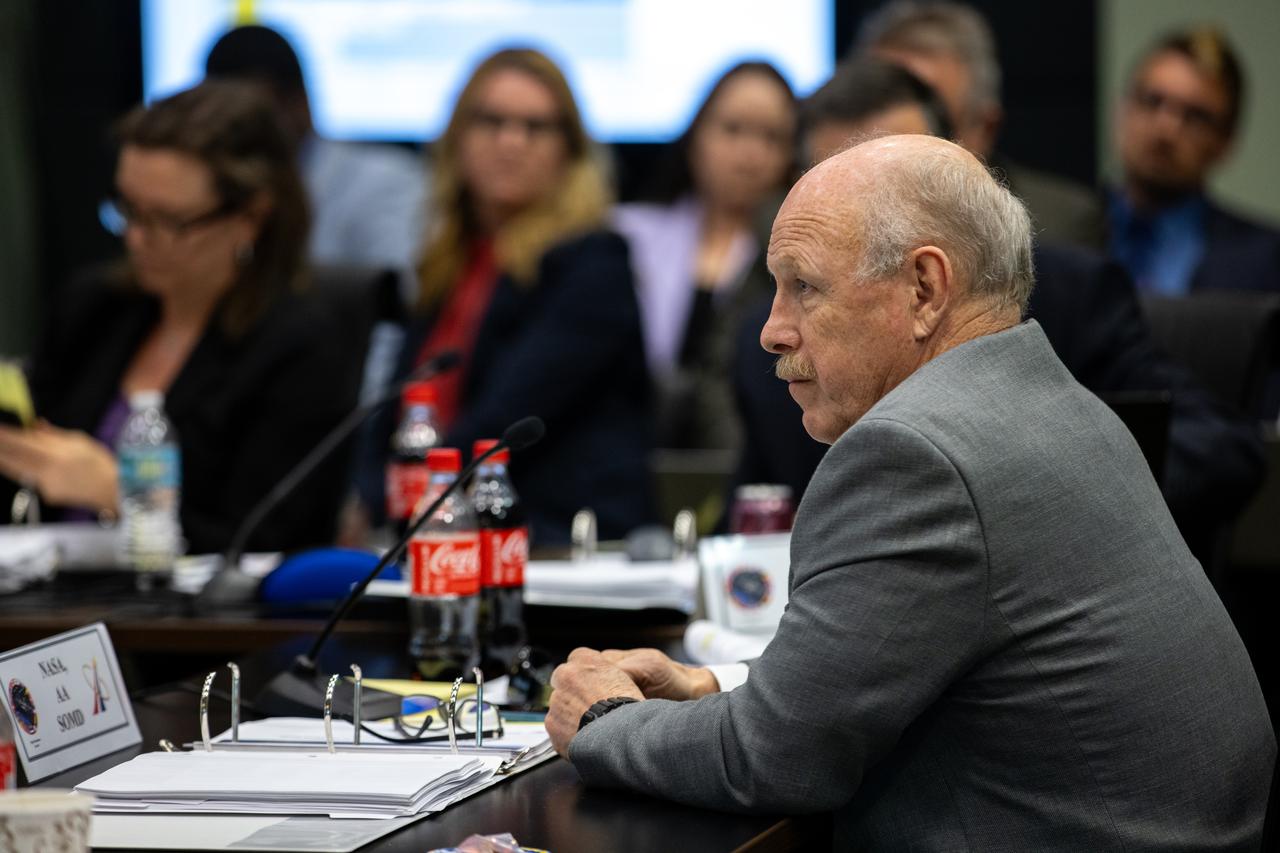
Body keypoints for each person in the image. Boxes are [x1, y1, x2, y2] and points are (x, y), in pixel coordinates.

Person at [547, 136, 1275, 848]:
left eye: (803, 285)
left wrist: (604, 718)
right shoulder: (1057, 400)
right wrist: (714, 685)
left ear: (925, 288)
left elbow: (774, 758)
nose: (771, 330)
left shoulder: (913, 453)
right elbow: (903, 658)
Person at [732, 56, 1263, 567]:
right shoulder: (774, 339)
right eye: (838, 183)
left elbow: (1220, 449)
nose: (866, 206)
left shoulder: (1067, 297)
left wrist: (1013, 502)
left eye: (893, 180)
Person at [0, 82, 354, 553]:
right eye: (128, 209)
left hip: (194, 624)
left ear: (251, 216)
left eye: (167, 221)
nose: (137, 238)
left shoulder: (301, 348)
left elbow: (267, 542)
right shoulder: (93, 306)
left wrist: (119, 493)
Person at [358, 48, 653, 546]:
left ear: (568, 150)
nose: (510, 142)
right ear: (458, 138)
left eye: (535, 126)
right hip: (447, 531)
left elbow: (504, 421)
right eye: (491, 121)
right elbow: (399, 406)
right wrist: (370, 494)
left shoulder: (595, 264)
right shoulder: (450, 263)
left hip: (559, 541)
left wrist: (406, 499)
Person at [612, 62, 797, 450]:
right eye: (732, 129)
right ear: (696, 134)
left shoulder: (797, 257)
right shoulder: (626, 234)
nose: (750, 153)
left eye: (771, 137)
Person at [855, 0, 1106, 250]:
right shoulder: (825, 214)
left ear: (985, 129)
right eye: (876, 117)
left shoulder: (1056, 228)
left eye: (931, 125)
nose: (891, 147)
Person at [204, 24, 426, 292]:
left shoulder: (387, 181)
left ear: (301, 103)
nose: (245, 135)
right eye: (229, 122)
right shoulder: (207, 184)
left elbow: (399, 302)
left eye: (258, 118)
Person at [1110, 26, 1280, 295]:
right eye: (1153, 101)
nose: (1166, 129)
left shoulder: (1266, 260)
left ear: (1226, 143)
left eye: (1196, 117)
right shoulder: (1062, 230)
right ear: (1122, 109)